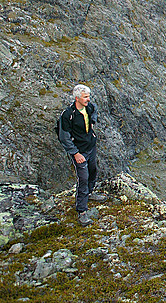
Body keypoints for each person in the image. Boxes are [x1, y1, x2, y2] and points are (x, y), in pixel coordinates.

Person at [57, 84, 105, 225]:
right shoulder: (68, 115)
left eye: (88, 96)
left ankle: (89, 193)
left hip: (90, 146)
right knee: (83, 178)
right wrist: (76, 153)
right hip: (79, 151)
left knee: (93, 170)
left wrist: (92, 122)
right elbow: (64, 137)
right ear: (77, 98)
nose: (88, 99)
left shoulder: (89, 107)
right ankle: (82, 211)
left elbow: (94, 109)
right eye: (85, 97)